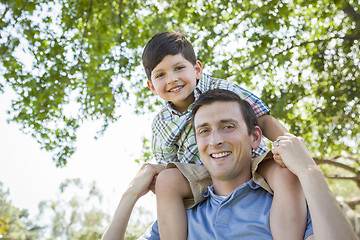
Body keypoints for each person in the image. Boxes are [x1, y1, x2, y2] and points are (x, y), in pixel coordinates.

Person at [101, 89, 358, 240]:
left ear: (255, 137)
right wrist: (130, 195)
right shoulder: (179, 219)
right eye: (204, 131)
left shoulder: (288, 204)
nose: (215, 140)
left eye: (228, 127)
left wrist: (308, 171)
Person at [142, 31, 306, 239]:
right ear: (152, 87)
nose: (172, 79)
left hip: (248, 160)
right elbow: (167, 164)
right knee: (166, 180)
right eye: (160, 75)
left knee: (285, 174)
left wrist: (291, 148)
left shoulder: (221, 89)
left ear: (197, 69)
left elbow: (262, 119)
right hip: (201, 174)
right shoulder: (161, 123)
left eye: (179, 68)